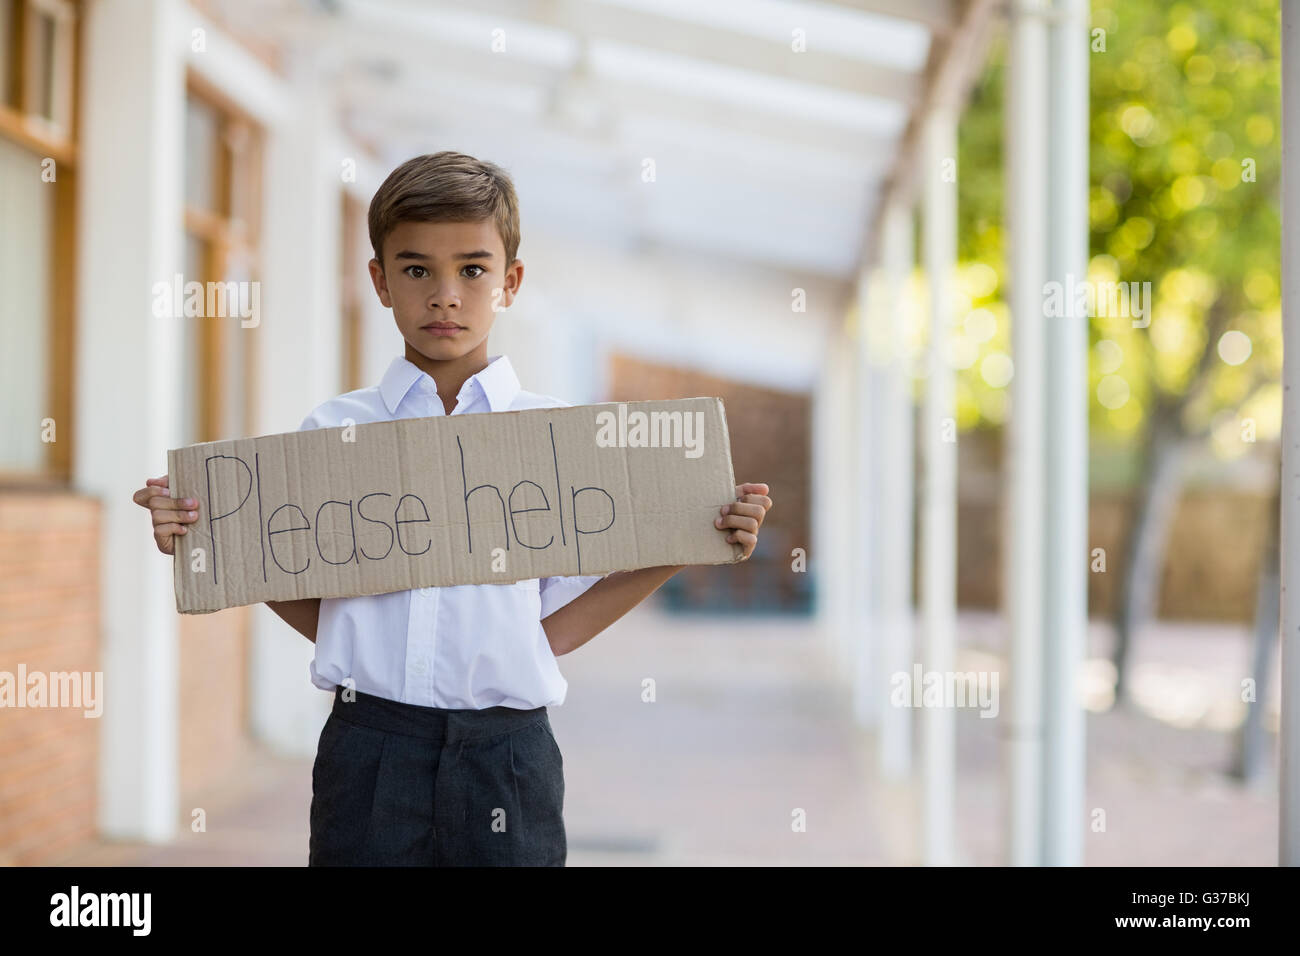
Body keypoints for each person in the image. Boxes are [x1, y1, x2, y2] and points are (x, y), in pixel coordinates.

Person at [132, 150, 772, 866]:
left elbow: (551, 632)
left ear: (510, 283)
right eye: (416, 270)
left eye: (472, 270)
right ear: (379, 281)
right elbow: (309, 593)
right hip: (367, 751)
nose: (445, 295)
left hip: (508, 760)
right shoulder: (331, 436)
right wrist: (208, 536)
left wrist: (691, 538)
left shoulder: (555, 441)